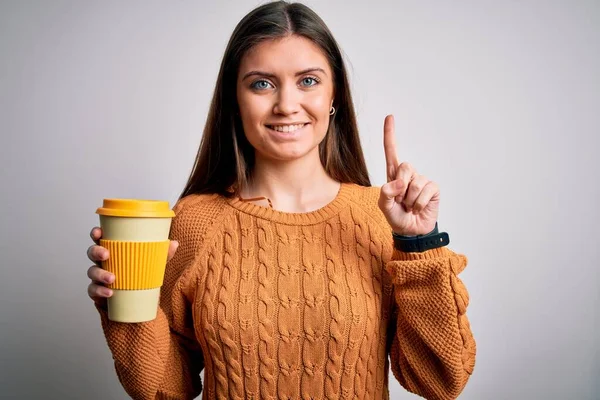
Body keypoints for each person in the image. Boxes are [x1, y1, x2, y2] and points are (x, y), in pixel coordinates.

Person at [86, 1, 476, 399]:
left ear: (333, 95)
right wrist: (127, 307)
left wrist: (418, 243)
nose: (287, 104)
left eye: (308, 81)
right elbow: (168, 391)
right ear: (235, 101)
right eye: (262, 83)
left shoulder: (380, 218)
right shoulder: (194, 221)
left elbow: (441, 382)